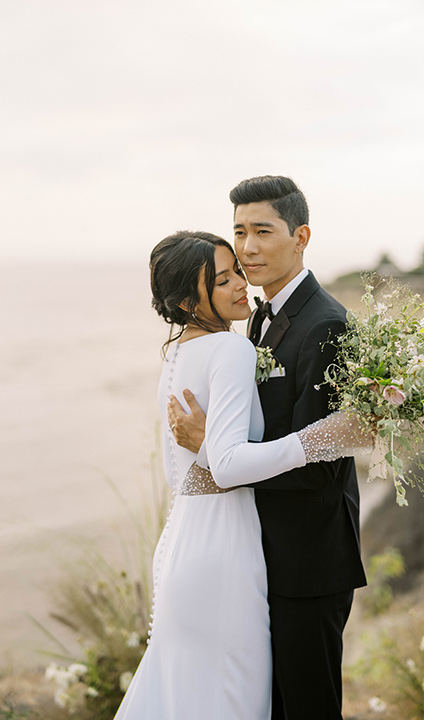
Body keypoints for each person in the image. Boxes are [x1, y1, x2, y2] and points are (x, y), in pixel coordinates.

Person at [113, 229, 371, 720]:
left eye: (236, 271)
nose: (240, 284)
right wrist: (327, 437)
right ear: (191, 300)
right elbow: (227, 463)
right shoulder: (231, 350)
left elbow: (188, 472)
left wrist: (210, 446)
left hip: (182, 547)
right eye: (224, 278)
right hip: (226, 554)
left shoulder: (177, 354)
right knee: (237, 703)